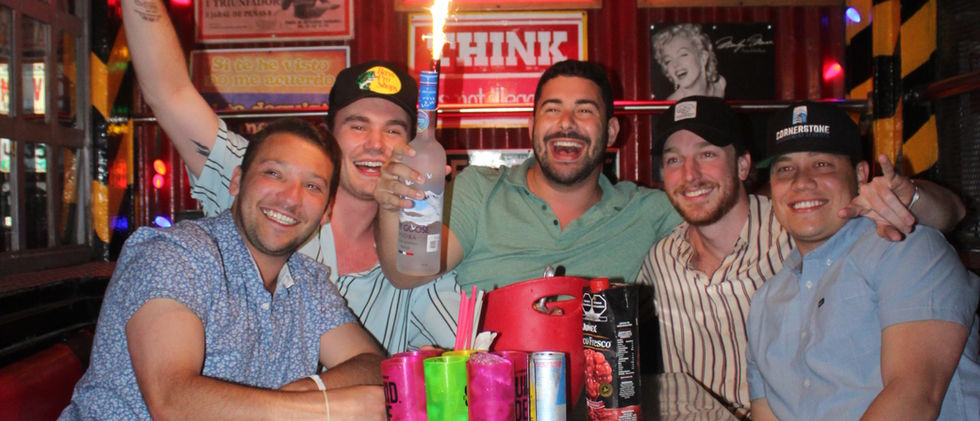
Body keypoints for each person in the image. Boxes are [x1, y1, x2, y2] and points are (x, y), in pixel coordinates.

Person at [121, 0, 458, 353]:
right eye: (358, 126)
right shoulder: (272, 187)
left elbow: (450, 356)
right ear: (329, 135)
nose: (375, 144)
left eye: (392, 131)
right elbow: (170, 94)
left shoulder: (419, 247)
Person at [635, 96, 966, 417]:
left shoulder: (833, 234)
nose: (690, 174)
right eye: (674, 160)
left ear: (743, 165)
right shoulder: (670, 263)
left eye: (707, 154)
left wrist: (914, 198)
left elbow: (942, 218)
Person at [60, 119, 387, 420]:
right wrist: (325, 409)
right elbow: (173, 401)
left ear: (327, 211)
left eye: (313, 186)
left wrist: (306, 391)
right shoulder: (175, 255)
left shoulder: (307, 282)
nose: (290, 198)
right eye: (274, 173)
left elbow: (373, 366)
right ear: (237, 181)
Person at [745, 101, 980, 420]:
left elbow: (914, 398)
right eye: (785, 169)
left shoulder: (905, 250)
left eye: (822, 164)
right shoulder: (766, 302)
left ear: (860, 175)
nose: (802, 182)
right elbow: (766, 414)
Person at [375, 60, 684, 291]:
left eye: (585, 110)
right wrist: (391, 207)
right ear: (532, 127)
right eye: (552, 109)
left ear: (612, 131)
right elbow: (408, 275)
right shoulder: (479, 190)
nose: (567, 123)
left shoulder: (648, 211)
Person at [652, 24, 726, 100]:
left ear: (703, 58)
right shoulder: (672, 103)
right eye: (668, 61)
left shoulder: (722, 85)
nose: (675, 64)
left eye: (683, 55)